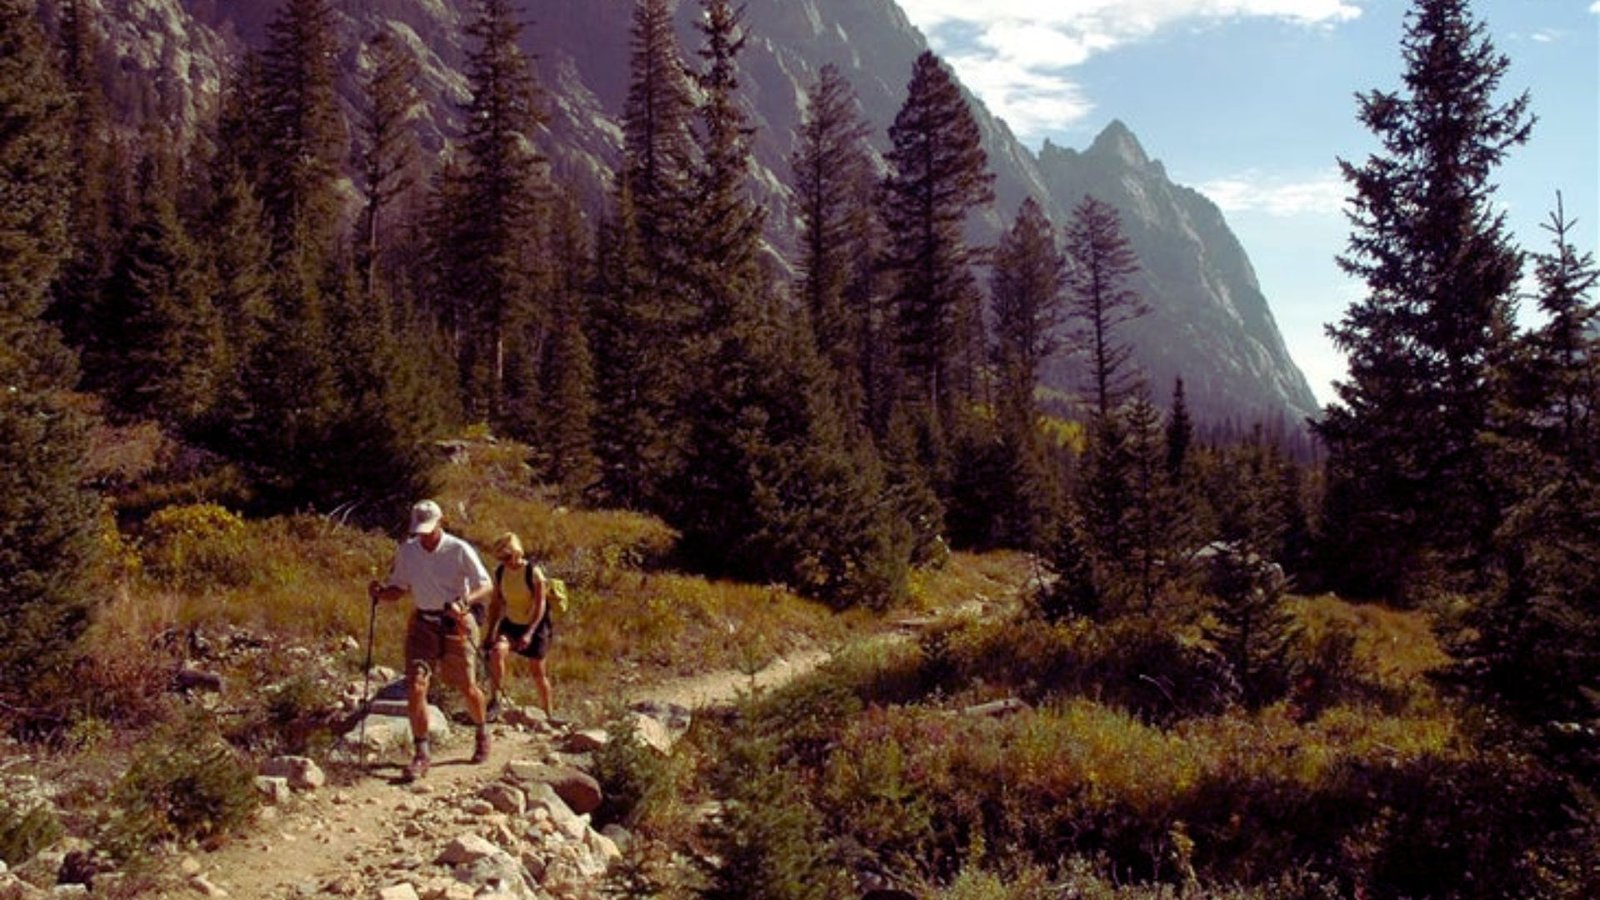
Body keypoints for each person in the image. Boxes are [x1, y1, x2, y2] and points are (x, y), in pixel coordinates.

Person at [368, 499, 494, 781]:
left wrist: (465, 601)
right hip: (422, 623)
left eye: (429, 529)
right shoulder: (408, 551)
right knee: (416, 685)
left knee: (466, 686)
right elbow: (399, 588)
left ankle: (482, 731)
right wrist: (380, 593)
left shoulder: (459, 549)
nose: (424, 535)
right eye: (420, 530)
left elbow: (485, 584)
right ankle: (421, 753)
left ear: (441, 522)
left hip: (456, 623)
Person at [483, 532, 554, 720]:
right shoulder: (500, 573)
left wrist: (530, 633)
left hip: (535, 625)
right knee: (497, 652)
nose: (504, 561)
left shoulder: (533, 572)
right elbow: (496, 604)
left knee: (538, 672)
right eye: (501, 558)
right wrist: (490, 632)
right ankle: (496, 699)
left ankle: (548, 712)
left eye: (507, 556)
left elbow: (541, 605)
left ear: (516, 552)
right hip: (511, 623)